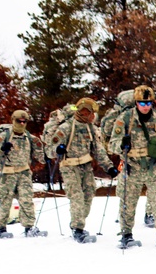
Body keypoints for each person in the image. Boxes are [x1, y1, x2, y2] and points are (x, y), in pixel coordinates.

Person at [106, 86, 156, 247]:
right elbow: (112, 144)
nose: (145, 107)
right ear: (136, 103)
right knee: (128, 201)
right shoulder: (125, 118)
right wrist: (122, 146)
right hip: (132, 166)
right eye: (142, 103)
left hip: (154, 165)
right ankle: (126, 234)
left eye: (148, 103)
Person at [46, 98, 118, 243]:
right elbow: (50, 151)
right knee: (76, 196)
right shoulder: (66, 128)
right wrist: (58, 149)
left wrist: (109, 167)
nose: (93, 116)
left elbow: (98, 150)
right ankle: (78, 228)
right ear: (85, 112)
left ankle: (77, 220)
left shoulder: (90, 128)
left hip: (85, 165)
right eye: (91, 113)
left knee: (89, 193)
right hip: (69, 166)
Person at [0, 110, 46, 238]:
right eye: (19, 121)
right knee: (5, 201)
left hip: (24, 173)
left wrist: (49, 154)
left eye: (25, 121)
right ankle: (1, 228)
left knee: (26, 200)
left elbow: (40, 155)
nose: (22, 123)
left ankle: (29, 227)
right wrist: (2, 150)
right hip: (7, 174)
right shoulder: (3, 137)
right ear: (13, 120)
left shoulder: (29, 137)